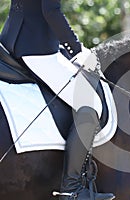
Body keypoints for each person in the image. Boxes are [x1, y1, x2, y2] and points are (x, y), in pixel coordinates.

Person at [0, 0, 115, 200]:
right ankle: (72, 190)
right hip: (36, 49)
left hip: (11, 40)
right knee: (91, 106)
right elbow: (50, 10)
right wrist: (77, 50)